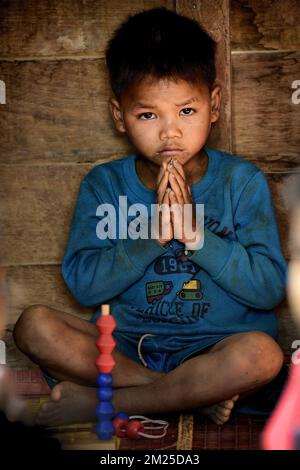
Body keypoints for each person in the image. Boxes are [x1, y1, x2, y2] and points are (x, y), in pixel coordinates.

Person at [13, 7, 286, 427]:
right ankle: (179, 393)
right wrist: (152, 237)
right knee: (33, 326)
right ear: (119, 115)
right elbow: (86, 288)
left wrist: (197, 238)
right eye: (148, 114)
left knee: (261, 355)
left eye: (186, 111)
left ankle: (112, 402)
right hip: (126, 348)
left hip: (215, 348)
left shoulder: (240, 181)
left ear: (213, 105)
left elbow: (268, 290)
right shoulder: (103, 185)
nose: (169, 132)